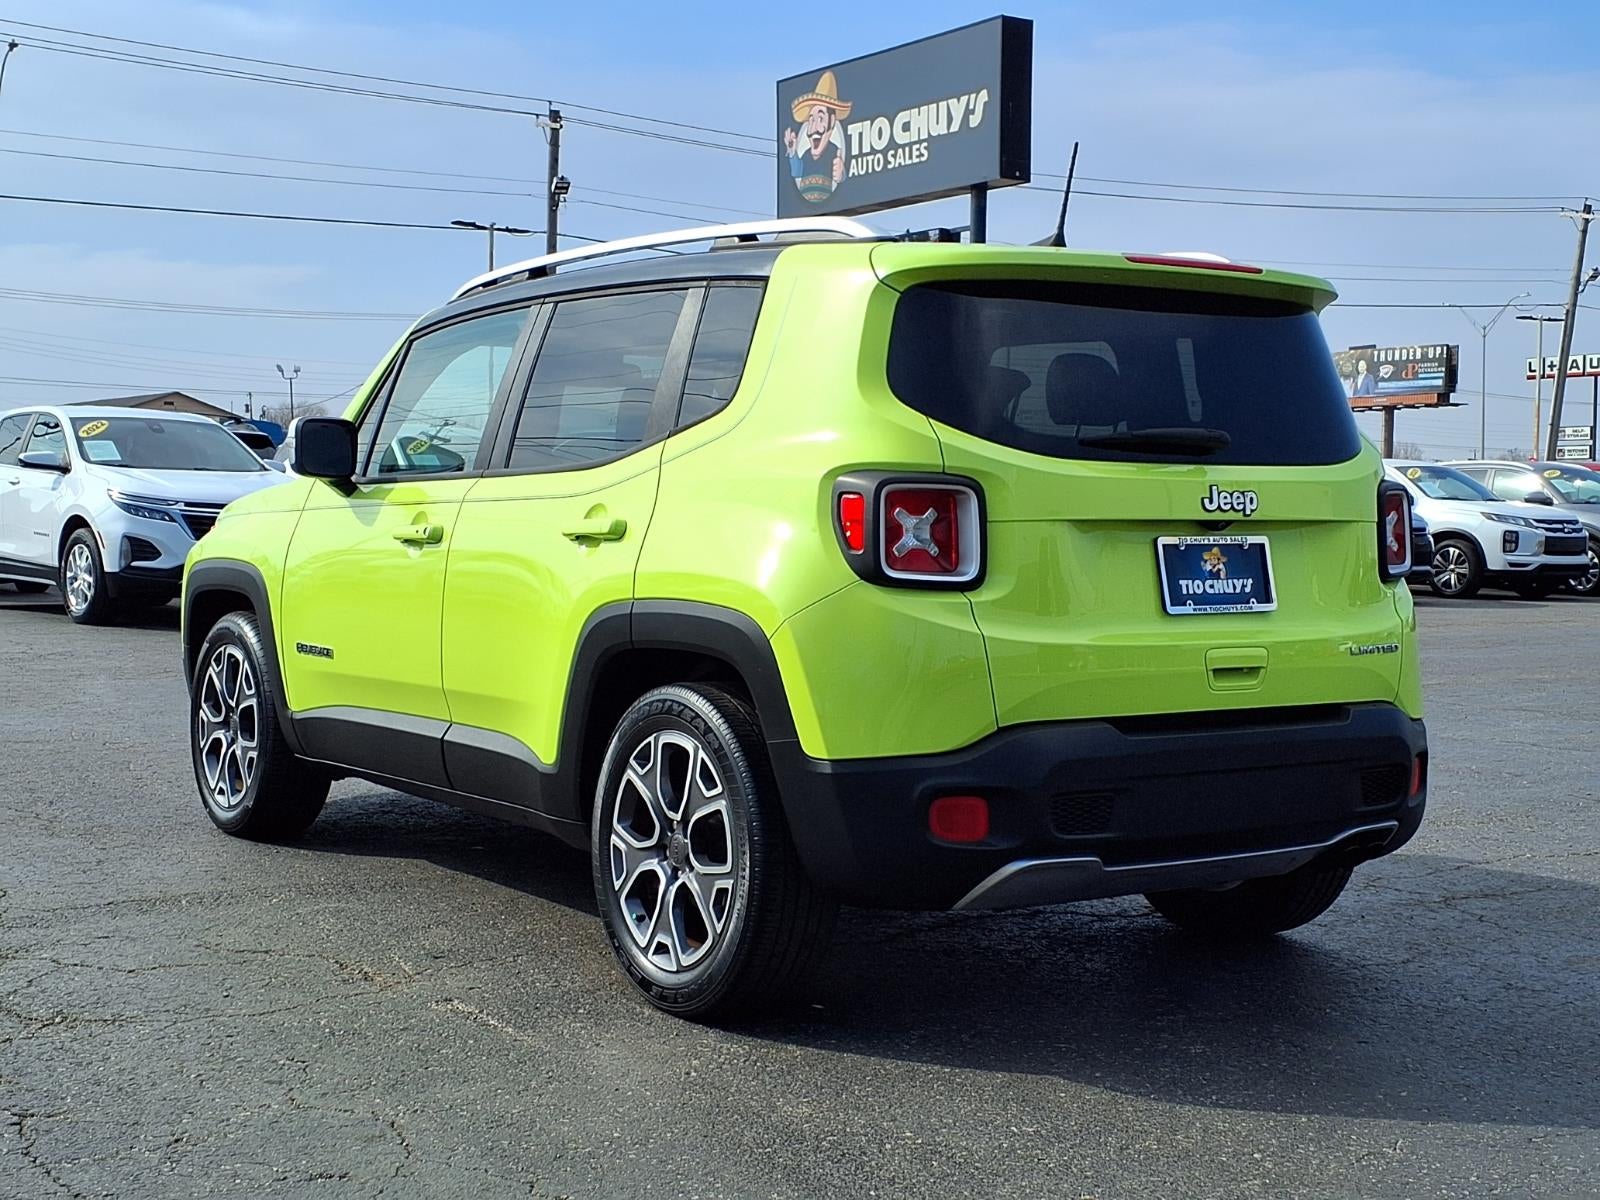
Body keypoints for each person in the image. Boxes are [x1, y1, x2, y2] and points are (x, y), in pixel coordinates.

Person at [783, 70, 852, 204]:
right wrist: (792, 152)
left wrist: (842, 175)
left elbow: (843, 178)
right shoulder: (807, 155)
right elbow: (797, 172)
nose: (814, 127)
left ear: (832, 121)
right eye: (811, 120)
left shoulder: (834, 152)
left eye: (820, 118)